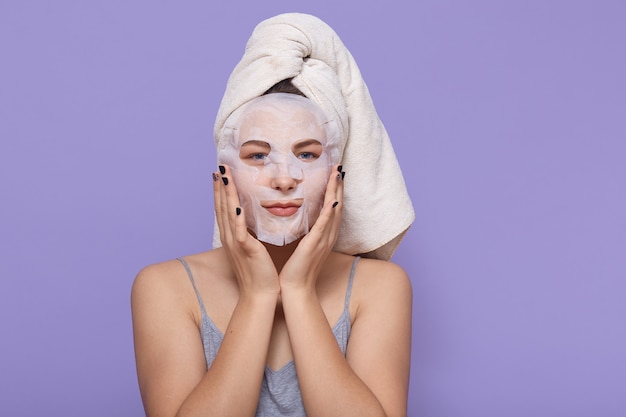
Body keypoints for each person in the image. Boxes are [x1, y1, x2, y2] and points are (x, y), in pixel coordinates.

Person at [131, 12, 415, 417]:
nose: (284, 178)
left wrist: (297, 290)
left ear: (337, 173)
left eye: (306, 154)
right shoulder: (164, 287)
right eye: (258, 155)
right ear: (224, 173)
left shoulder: (381, 287)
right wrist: (259, 293)